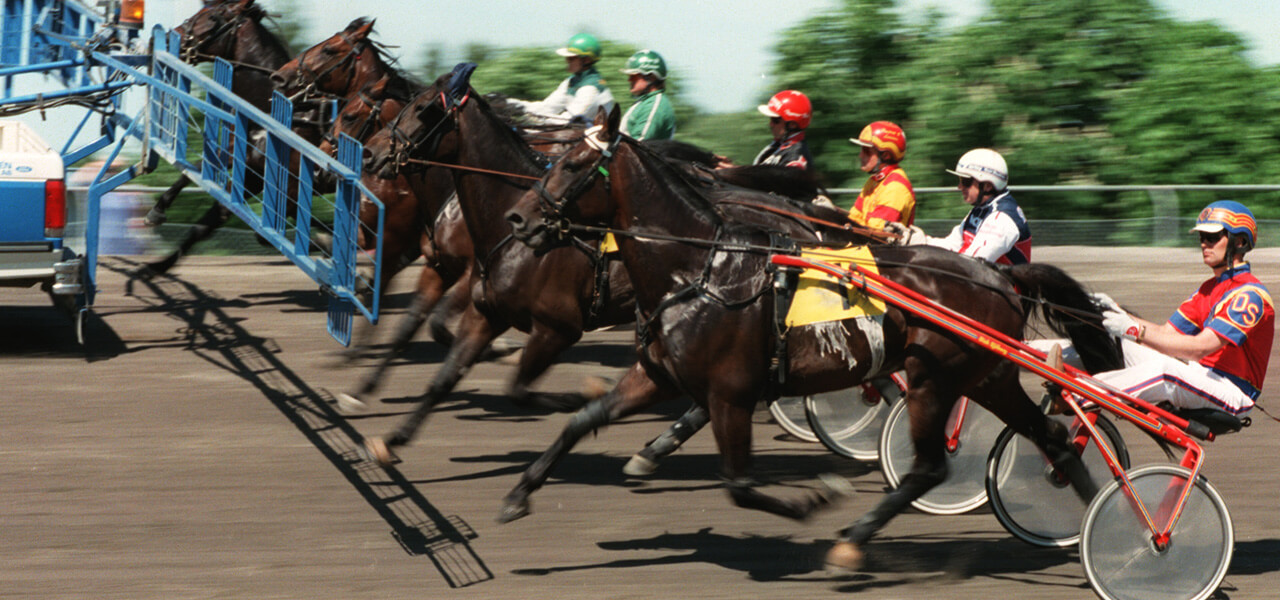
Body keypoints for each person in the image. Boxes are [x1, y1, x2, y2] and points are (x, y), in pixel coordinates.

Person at [1085, 201, 1273, 415]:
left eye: (1212, 237)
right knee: (1118, 343)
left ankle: (1079, 393)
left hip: (1232, 392)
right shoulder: (1209, 288)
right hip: (1202, 376)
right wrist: (1118, 313)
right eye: (1202, 237)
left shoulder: (1250, 295)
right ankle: (1053, 365)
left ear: (1239, 241)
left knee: (1166, 371)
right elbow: (1166, 334)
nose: (1204, 244)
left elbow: (1199, 348)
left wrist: (1133, 329)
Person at [889, 148, 1031, 265]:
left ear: (987, 186)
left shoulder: (1002, 219)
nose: (959, 187)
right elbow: (952, 246)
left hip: (1005, 295)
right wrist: (917, 241)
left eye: (966, 181)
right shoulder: (981, 210)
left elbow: (970, 264)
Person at [508, 33, 615, 125]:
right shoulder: (570, 82)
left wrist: (526, 114)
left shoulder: (591, 88)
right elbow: (547, 107)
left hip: (598, 143)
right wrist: (510, 103)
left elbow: (568, 121)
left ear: (586, 60)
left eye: (571, 58)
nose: (567, 61)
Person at [846, 121, 915, 230]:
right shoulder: (874, 181)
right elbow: (854, 219)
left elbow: (875, 234)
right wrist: (831, 212)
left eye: (866, 150)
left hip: (880, 246)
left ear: (886, 155)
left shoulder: (896, 188)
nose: (860, 155)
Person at [619, 49, 675, 141]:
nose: (629, 80)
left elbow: (639, 146)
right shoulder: (644, 102)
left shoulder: (654, 105)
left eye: (634, 76)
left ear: (651, 77)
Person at [752, 90, 814, 171]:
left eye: (775, 120)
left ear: (792, 125)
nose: (771, 124)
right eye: (770, 119)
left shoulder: (795, 158)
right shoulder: (779, 146)